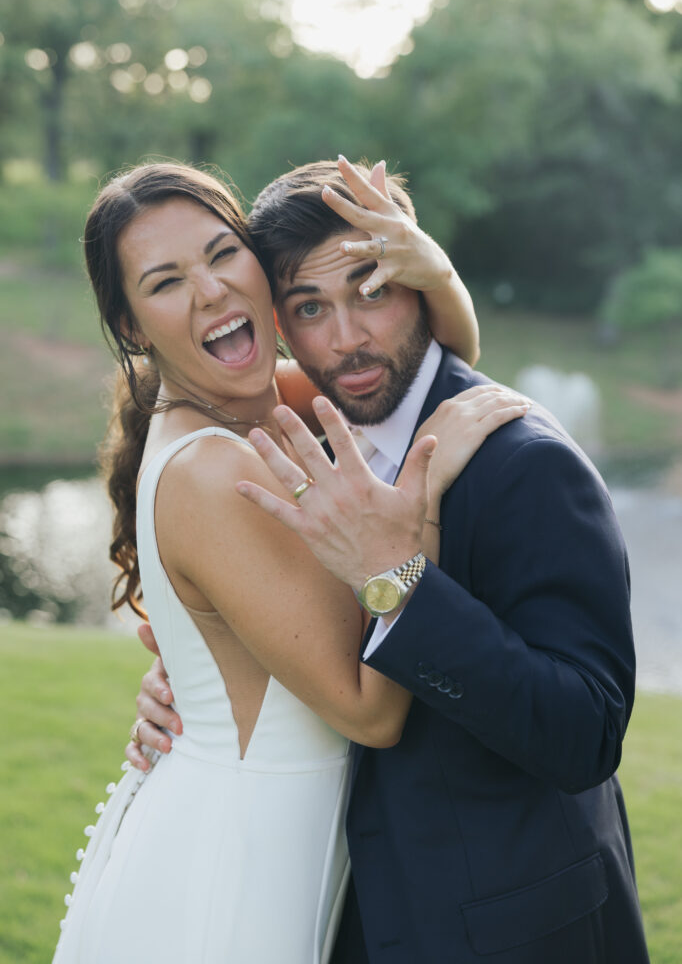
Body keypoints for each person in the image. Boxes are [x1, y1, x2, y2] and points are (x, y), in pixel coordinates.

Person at [134, 158, 650, 962]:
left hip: (512, 934)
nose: (346, 338)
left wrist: (402, 581)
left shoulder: (521, 460)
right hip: (341, 912)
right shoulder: (297, 430)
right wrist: (203, 688)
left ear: (417, 286)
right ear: (278, 322)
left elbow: (584, 733)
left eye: (374, 290)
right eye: (310, 307)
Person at [53, 159, 524, 964]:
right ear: (131, 326)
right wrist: (422, 503)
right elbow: (370, 712)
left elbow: (427, 377)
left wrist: (430, 267)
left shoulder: (268, 405)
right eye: (166, 282)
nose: (209, 292)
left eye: (220, 253)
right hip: (232, 877)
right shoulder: (211, 469)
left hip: (278, 846)